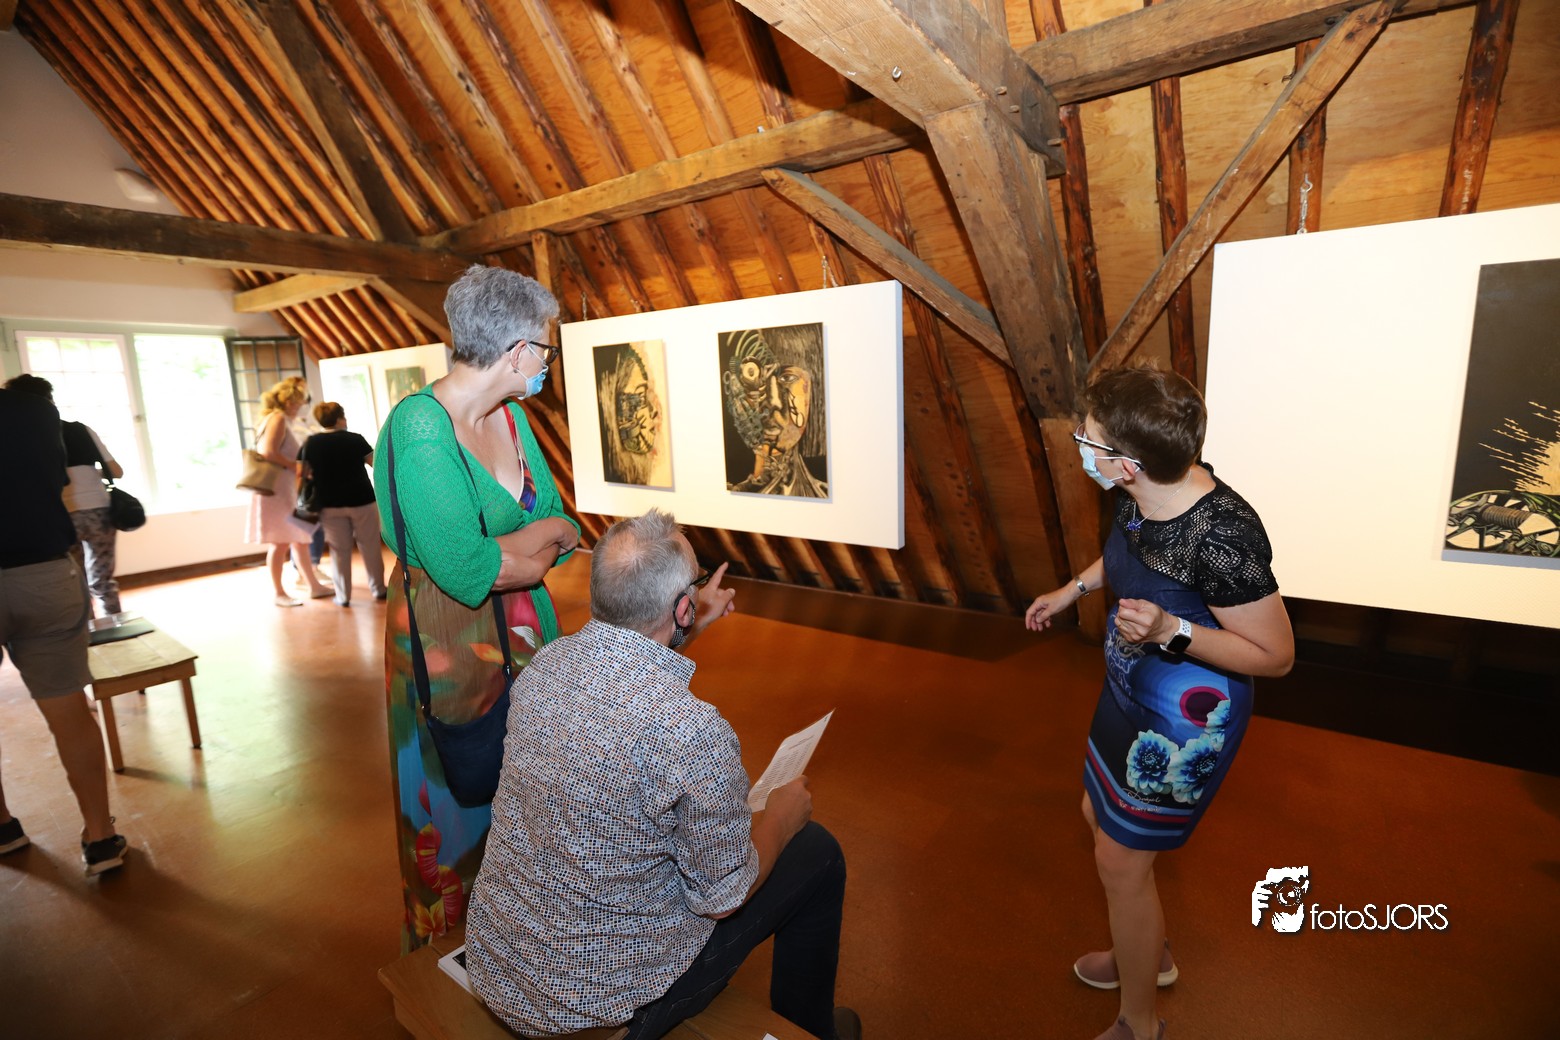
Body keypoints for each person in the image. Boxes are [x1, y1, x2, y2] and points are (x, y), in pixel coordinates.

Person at [467, 509, 858, 1040]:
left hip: (501, 966)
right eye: (693, 588)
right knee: (817, 851)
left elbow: (621, 671)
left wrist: (690, 622)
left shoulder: (545, 665)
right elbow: (724, 896)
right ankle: (811, 1032)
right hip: (596, 1010)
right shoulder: (693, 732)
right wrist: (783, 820)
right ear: (680, 608)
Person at [1025, 365, 1294, 1040]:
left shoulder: (1224, 535)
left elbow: (1276, 657)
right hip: (1126, 687)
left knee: (1120, 861)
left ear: (1126, 463)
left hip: (1184, 716)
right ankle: (1146, 949)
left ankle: (1140, 1023)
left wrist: (1173, 630)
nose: (1079, 442)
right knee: (1097, 813)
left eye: (1088, 437)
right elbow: (1129, 550)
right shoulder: (1143, 489)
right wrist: (1072, 590)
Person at [375, 264, 581, 953]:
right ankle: (455, 957)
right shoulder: (420, 429)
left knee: (531, 791)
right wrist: (521, 552)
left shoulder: (512, 418)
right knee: (457, 798)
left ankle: (528, 935)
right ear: (519, 351)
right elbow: (468, 572)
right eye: (547, 349)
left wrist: (514, 553)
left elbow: (562, 526)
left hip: (525, 635)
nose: (547, 363)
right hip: (447, 646)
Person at [0, 381, 128, 876]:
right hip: (43, 572)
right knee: (70, 708)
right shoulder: (33, 411)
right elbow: (53, 482)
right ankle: (100, 838)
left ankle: (3, 828)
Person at [3, 374, 124, 616]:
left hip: (61, 515)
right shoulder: (80, 429)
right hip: (98, 510)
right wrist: (89, 473)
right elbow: (116, 472)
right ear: (50, 399)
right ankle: (116, 624)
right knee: (103, 578)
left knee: (75, 579)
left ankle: (87, 629)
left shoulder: (20, 437)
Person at [246, 378, 333, 607]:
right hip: (278, 490)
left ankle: (313, 585)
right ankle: (279, 593)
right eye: (297, 401)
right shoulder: (277, 418)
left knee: (299, 538)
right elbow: (268, 452)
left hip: (287, 489)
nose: (301, 406)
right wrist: (296, 467)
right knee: (281, 542)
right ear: (287, 401)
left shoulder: (278, 419)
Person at [298, 402, 385, 607]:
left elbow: (302, 473)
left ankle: (343, 596)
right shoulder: (355, 439)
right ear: (339, 419)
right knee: (370, 545)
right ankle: (379, 589)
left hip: (329, 505)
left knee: (339, 550)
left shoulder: (311, 442)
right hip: (362, 501)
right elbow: (376, 464)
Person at [283, 375, 330, 583]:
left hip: (307, 483)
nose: (303, 401)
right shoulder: (286, 425)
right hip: (296, 484)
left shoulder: (302, 424)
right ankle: (303, 571)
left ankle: (312, 567)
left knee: (313, 526)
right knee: (303, 527)